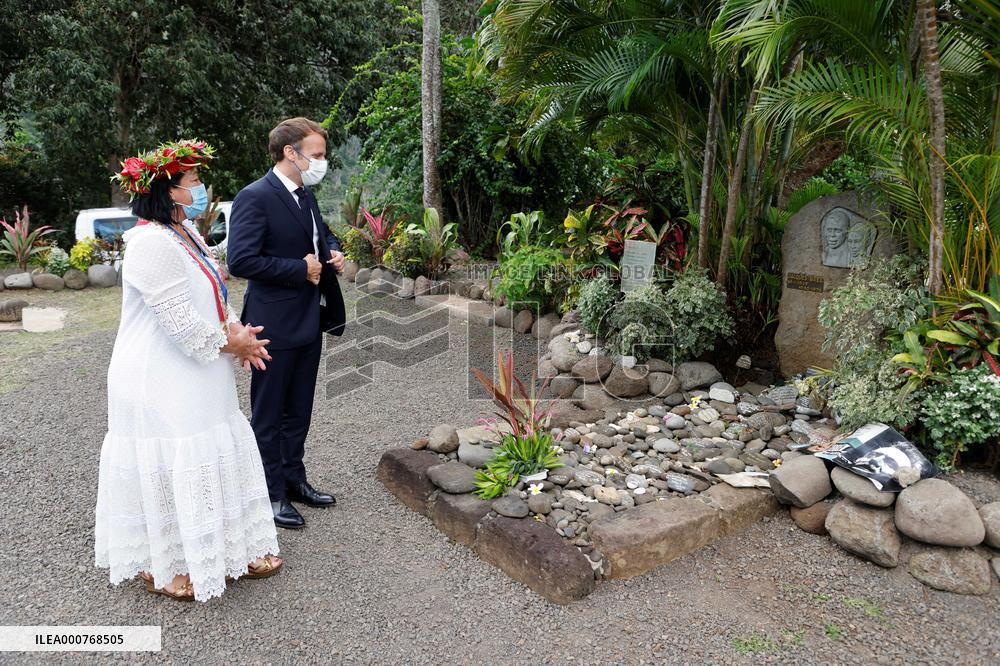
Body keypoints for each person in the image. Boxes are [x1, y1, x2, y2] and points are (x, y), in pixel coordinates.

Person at [95, 140, 283, 602]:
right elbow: (180, 323)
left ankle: (231, 549)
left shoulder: (189, 234)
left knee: (216, 448)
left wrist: (242, 335)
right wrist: (230, 343)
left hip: (201, 370)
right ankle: (165, 564)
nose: (200, 188)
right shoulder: (149, 244)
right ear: (168, 190)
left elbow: (216, 296)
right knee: (173, 460)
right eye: (193, 181)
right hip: (159, 375)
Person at [227, 118, 347, 530]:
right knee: (270, 413)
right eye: (316, 154)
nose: (322, 161)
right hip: (271, 323)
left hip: (308, 320)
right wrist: (299, 269)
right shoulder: (254, 197)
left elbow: (322, 234)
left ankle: (295, 480)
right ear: (289, 153)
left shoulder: (305, 195)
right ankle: (271, 492)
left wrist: (333, 251)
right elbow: (240, 260)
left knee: (299, 411)